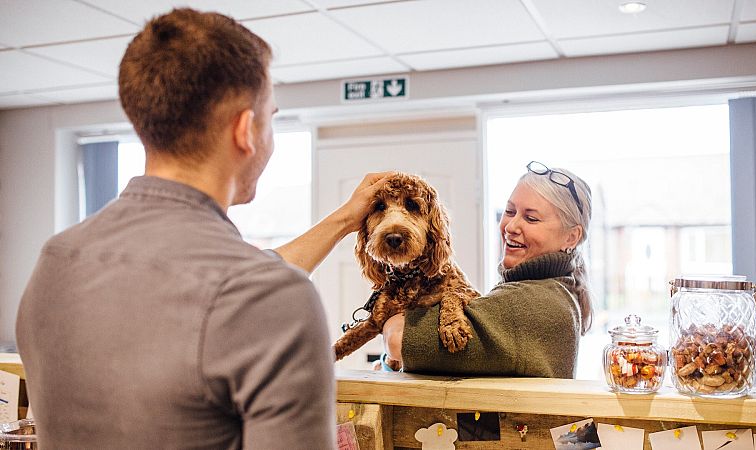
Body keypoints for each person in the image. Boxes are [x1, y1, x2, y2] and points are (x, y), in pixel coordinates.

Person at [16, 8, 389, 450]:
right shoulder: (269, 297)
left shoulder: (57, 260)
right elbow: (242, 294)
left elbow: (215, 291)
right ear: (245, 130)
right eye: (271, 116)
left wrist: (346, 219)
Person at [380, 161, 593, 377]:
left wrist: (390, 318)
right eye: (510, 211)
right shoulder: (556, 290)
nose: (510, 227)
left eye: (531, 218)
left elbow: (397, 340)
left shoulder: (532, 303)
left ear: (571, 237)